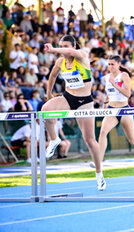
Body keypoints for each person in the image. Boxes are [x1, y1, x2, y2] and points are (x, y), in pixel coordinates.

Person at [42, 35, 105, 190]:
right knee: (45, 111)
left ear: (73, 47)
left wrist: (54, 49)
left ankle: (99, 175)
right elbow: (53, 75)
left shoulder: (82, 56)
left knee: (90, 140)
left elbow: (70, 51)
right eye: (60, 45)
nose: (63, 49)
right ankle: (54, 139)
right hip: (68, 97)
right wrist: (49, 93)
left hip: (84, 102)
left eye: (65, 46)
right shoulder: (60, 62)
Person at [91, 55, 134, 170]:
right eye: (108, 64)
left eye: (112, 64)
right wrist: (105, 102)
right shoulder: (105, 78)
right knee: (103, 132)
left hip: (124, 110)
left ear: (118, 64)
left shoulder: (123, 76)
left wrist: (115, 84)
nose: (110, 66)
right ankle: (98, 161)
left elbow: (128, 94)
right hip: (112, 110)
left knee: (133, 140)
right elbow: (109, 95)